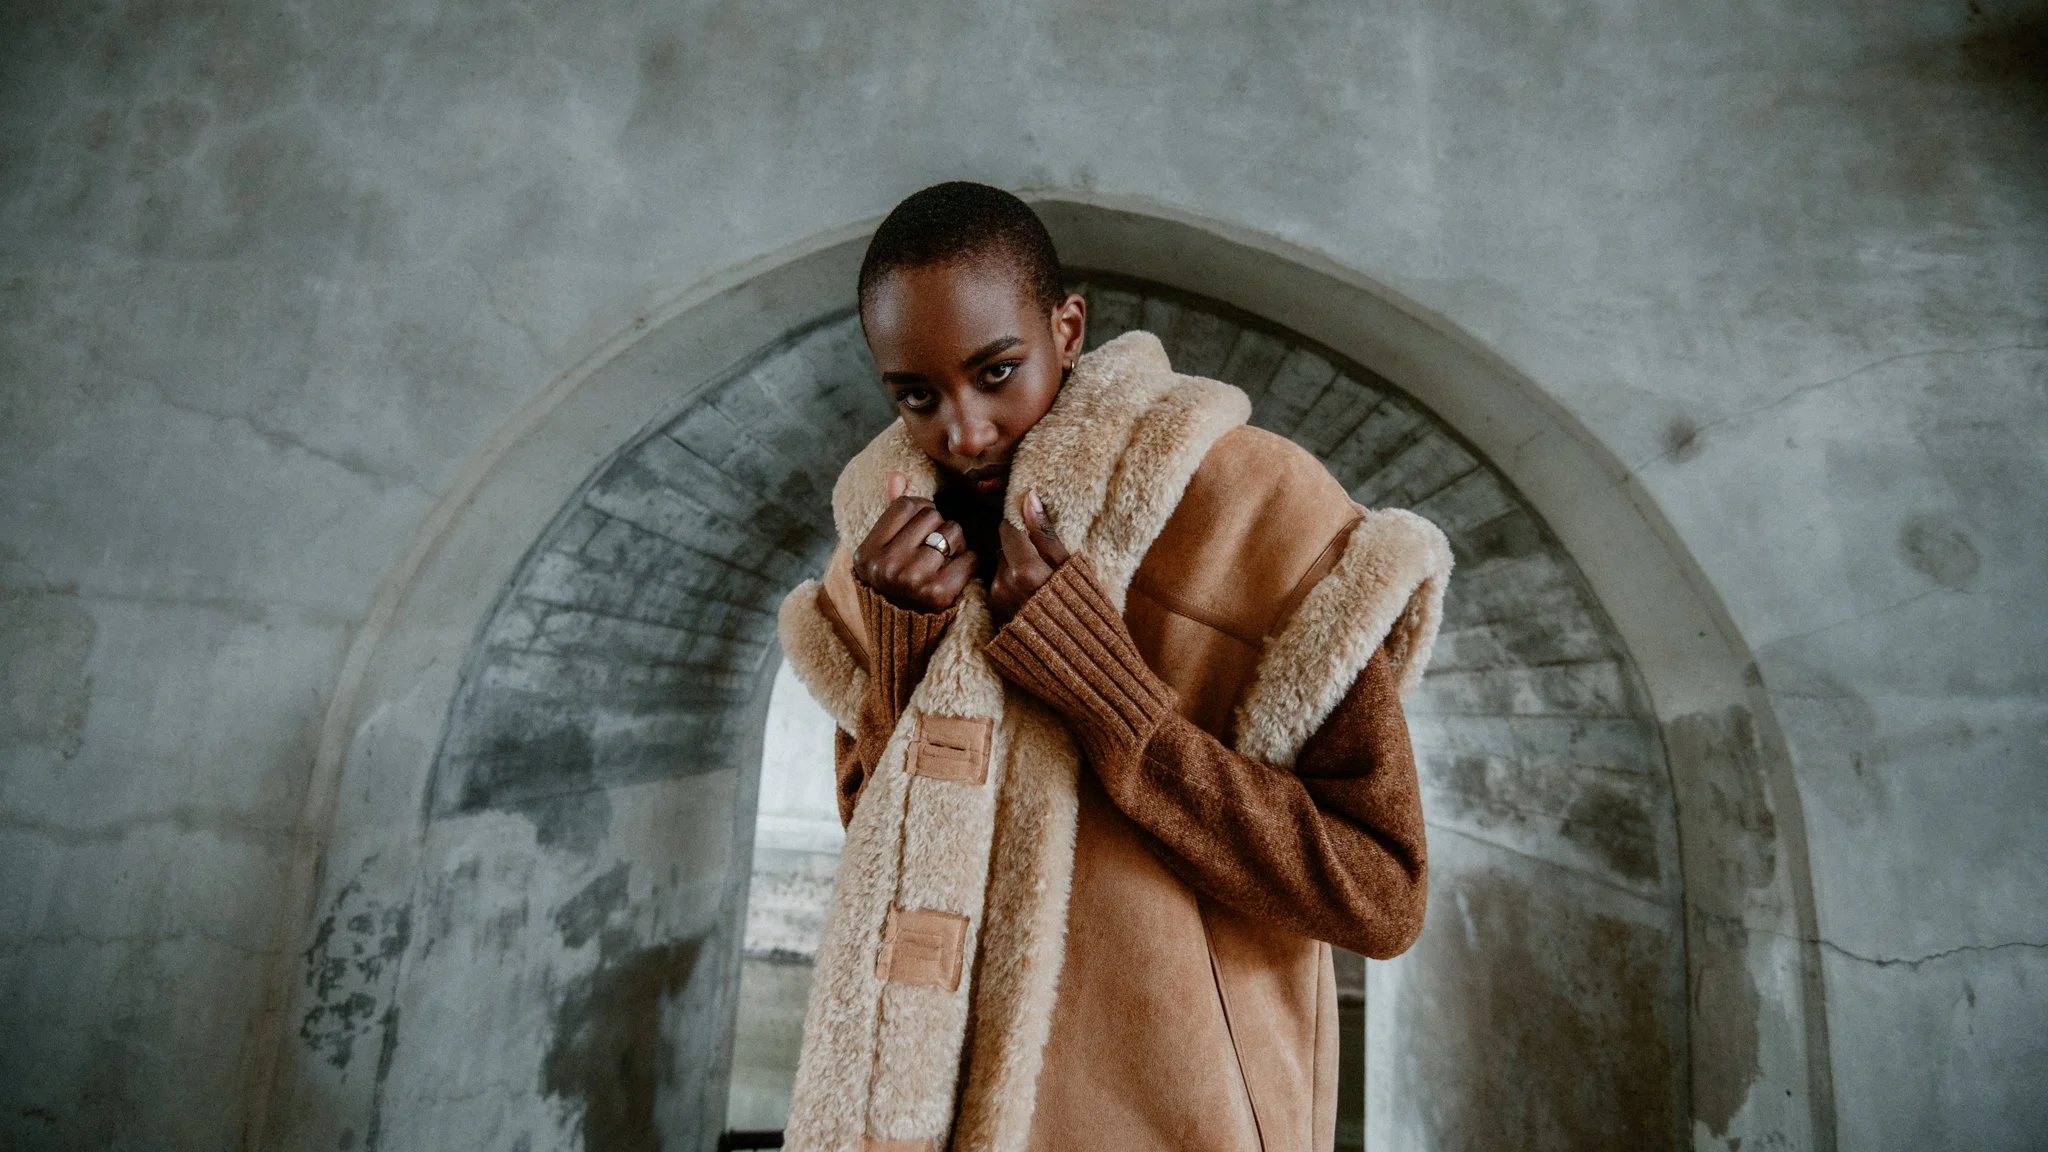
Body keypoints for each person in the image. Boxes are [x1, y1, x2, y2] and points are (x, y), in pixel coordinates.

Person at [775, 181, 1452, 1152]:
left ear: (1068, 328)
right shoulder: (878, 557)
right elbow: (881, 849)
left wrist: (1116, 702)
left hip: (1185, 1114)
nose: (963, 431)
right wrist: (903, 657)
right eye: (916, 396)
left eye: (997, 370)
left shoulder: (1261, 513)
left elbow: (1382, 895)